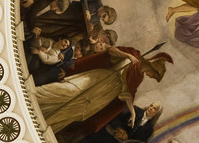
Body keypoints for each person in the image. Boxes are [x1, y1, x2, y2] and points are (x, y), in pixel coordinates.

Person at [34, 45, 172, 136]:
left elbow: (127, 94)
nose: (151, 76)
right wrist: (127, 56)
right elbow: (111, 51)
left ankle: (44, 126)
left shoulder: (139, 77)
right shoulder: (133, 54)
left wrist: (133, 112)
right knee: (66, 91)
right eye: (153, 74)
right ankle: (32, 97)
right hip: (98, 80)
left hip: (105, 96)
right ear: (152, 67)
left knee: (75, 112)